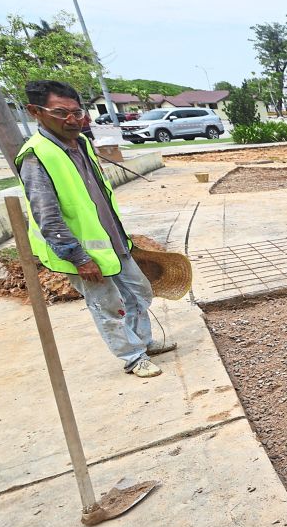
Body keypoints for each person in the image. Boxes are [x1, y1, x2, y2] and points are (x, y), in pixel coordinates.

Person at [17, 79, 176, 379]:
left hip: (112, 242)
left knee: (139, 293)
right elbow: (47, 217)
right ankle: (132, 357)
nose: (72, 120)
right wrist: (79, 258)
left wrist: (122, 238)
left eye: (76, 113)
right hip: (83, 253)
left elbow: (98, 196)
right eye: (61, 113)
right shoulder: (37, 156)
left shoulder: (82, 144)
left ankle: (143, 342)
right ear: (35, 112)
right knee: (108, 305)